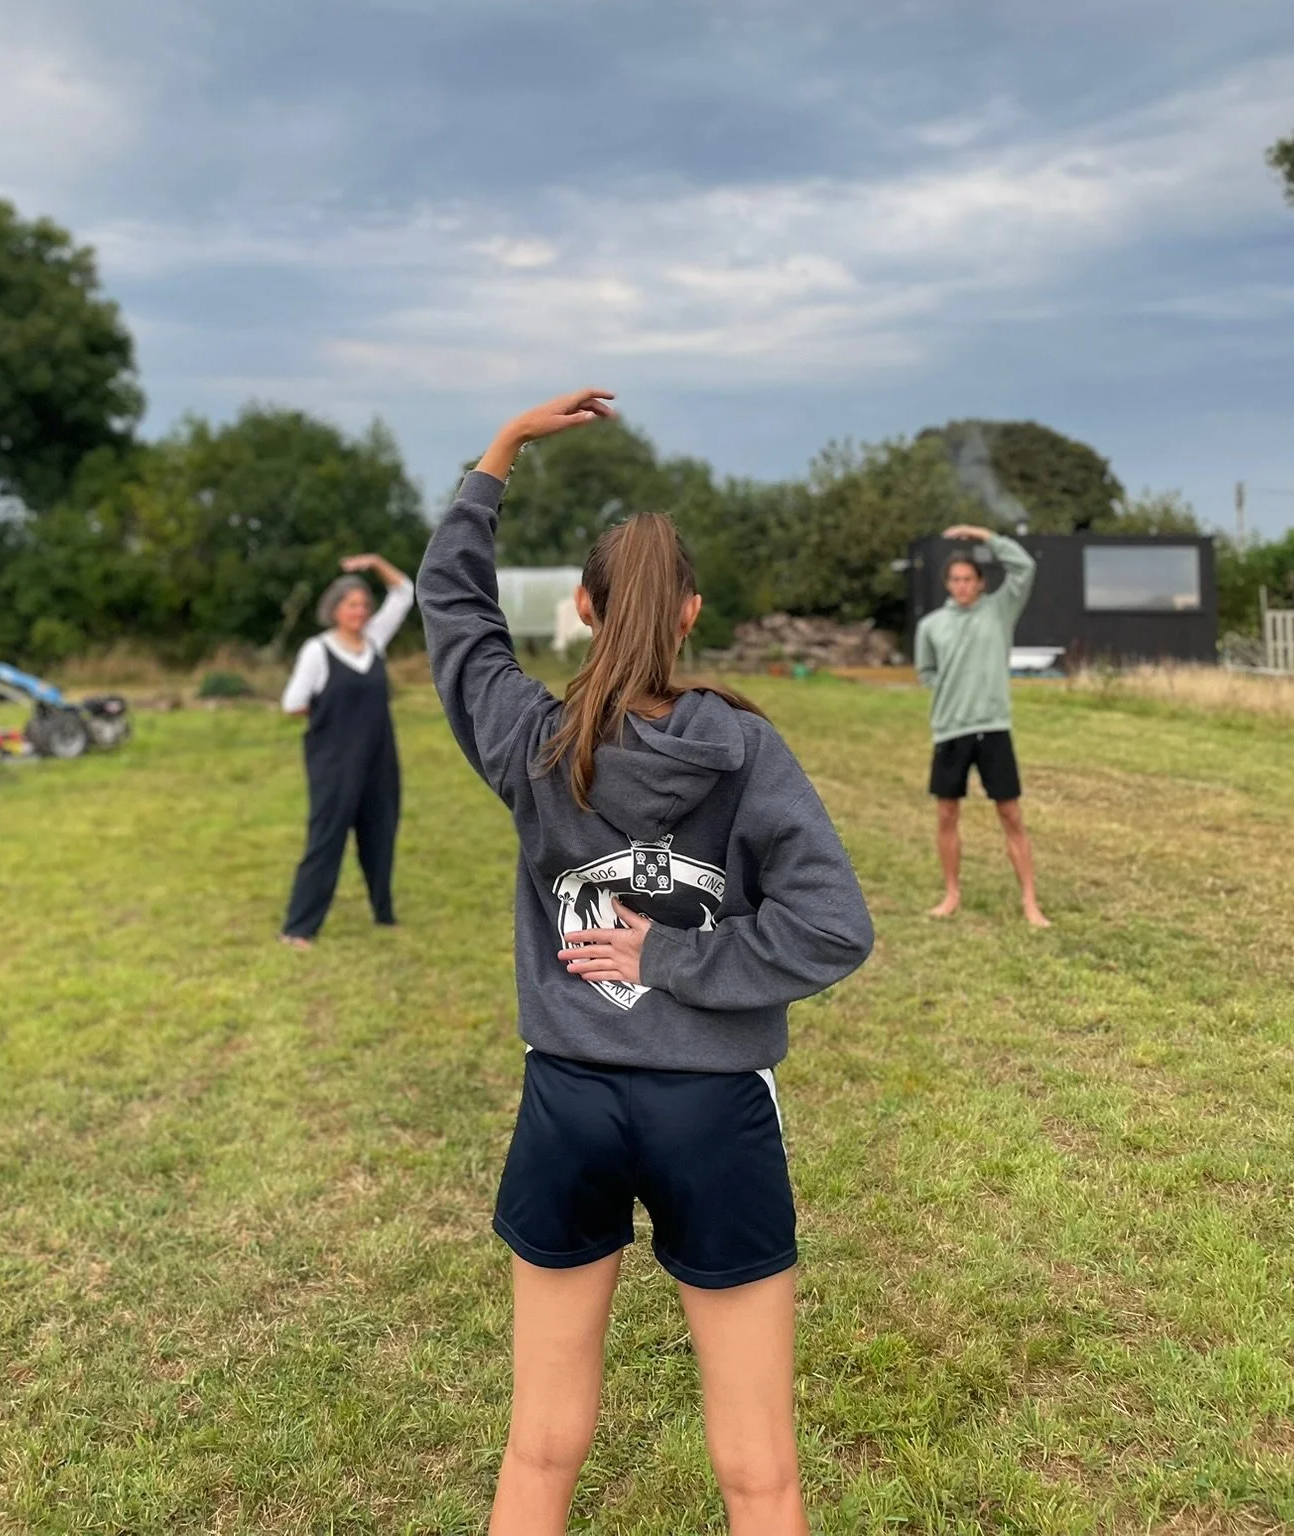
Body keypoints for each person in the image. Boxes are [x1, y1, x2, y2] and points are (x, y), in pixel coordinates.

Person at [417, 389, 874, 1536]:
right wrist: (682, 959)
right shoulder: (745, 746)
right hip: (713, 1112)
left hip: (567, 1101)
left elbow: (455, 615)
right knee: (761, 1472)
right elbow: (833, 925)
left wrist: (501, 454)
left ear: (581, 609)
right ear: (691, 613)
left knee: (539, 1447)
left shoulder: (533, 739)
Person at [913, 523, 1049, 926]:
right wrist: (951, 692)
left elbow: (1023, 565)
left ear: (981, 583)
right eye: (954, 580)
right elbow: (926, 672)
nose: (962, 586)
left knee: (1010, 814)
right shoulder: (931, 626)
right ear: (947, 584)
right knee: (946, 815)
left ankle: (1030, 901)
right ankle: (951, 893)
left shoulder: (1000, 609)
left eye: (968, 579)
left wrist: (981, 535)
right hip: (950, 732)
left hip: (993, 730)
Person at [279, 553, 413, 946]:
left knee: (380, 834)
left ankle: (383, 914)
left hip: (378, 759)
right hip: (334, 764)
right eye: (352, 604)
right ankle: (298, 928)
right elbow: (293, 703)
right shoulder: (317, 651)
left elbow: (404, 591)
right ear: (335, 609)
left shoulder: (374, 641)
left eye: (364, 605)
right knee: (326, 840)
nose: (360, 611)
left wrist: (374, 563)